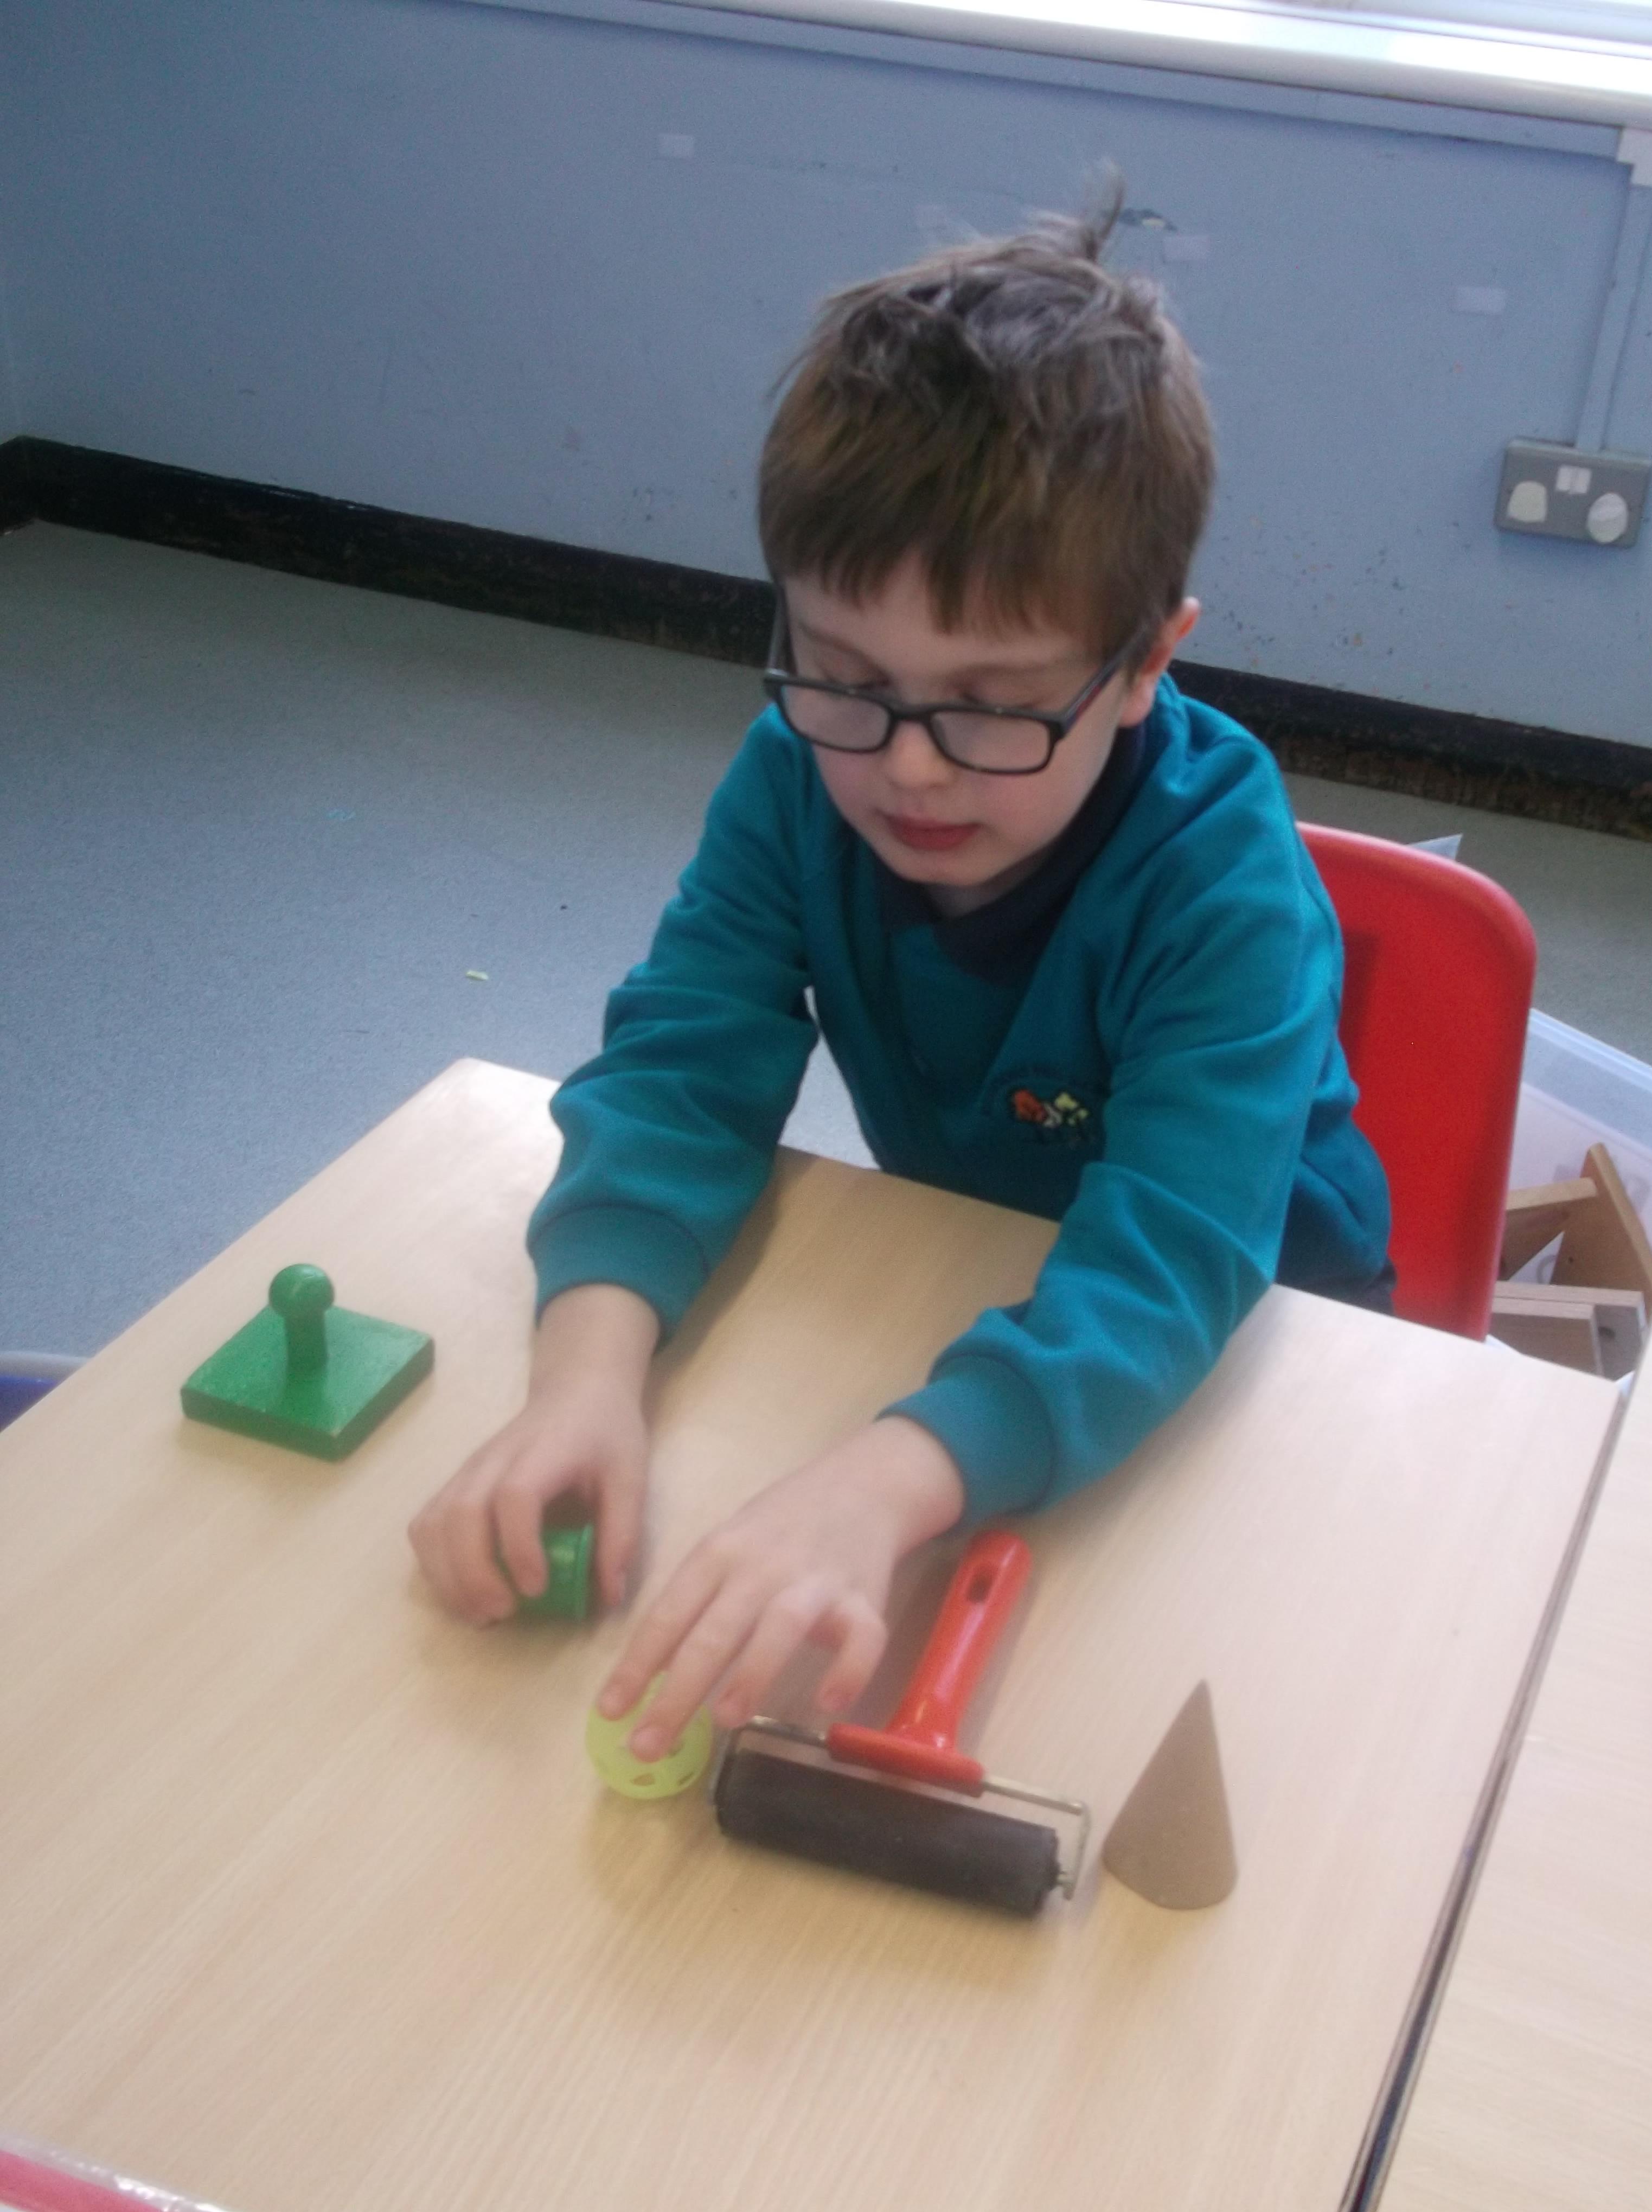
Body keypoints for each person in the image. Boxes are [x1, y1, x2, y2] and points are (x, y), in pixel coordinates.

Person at [409, 196, 1391, 1764]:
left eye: (994, 704)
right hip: (977, 1274)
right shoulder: (795, 776)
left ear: (1147, 662)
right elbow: (680, 1070)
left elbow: (1169, 1262)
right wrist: (581, 1379)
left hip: (1264, 1338)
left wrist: (880, 1485)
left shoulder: (1224, 884)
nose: (910, 769)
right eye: (848, 677)